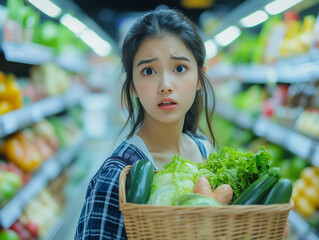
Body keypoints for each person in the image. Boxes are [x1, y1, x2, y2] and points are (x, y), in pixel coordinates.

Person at [74, 8, 216, 240]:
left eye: (180, 68)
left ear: (200, 77)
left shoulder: (204, 149)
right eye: (148, 71)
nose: (165, 85)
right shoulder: (116, 179)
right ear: (132, 85)